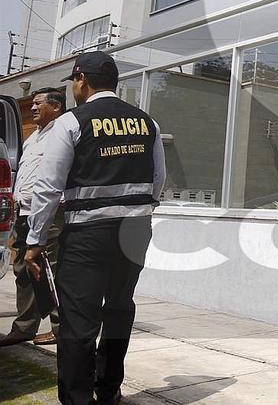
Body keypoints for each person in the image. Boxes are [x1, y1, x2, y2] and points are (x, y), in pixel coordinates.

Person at [24, 51, 166, 405]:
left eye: (74, 81)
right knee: (119, 309)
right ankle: (108, 390)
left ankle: (78, 398)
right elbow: (158, 180)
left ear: (82, 80)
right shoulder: (147, 122)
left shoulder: (72, 122)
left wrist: (35, 240)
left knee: (78, 318)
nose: (74, 88)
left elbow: (48, 187)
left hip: (88, 232)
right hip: (134, 231)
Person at [0, 88, 66, 347]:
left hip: (48, 213)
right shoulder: (33, 138)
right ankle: (25, 327)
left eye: (39, 103)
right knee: (23, 271)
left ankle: (60, 329)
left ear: (56, 107)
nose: (33, 108)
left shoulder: (62, 135)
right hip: (24, 213)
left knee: (51, 272)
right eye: (33, 103)